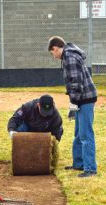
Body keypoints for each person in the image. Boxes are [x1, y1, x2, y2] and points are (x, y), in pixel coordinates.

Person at [48, 36, 97, 178]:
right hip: (81, 98)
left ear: (55, 48)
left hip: (85, 99)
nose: (54, 56)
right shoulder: (69, 55)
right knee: (78, 133)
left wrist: (73, 102)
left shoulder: (69, 56)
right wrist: (74, 102)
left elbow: (76, 81)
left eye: (52, 53)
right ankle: (79, 164)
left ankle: (90, 169)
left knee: (86, 134)